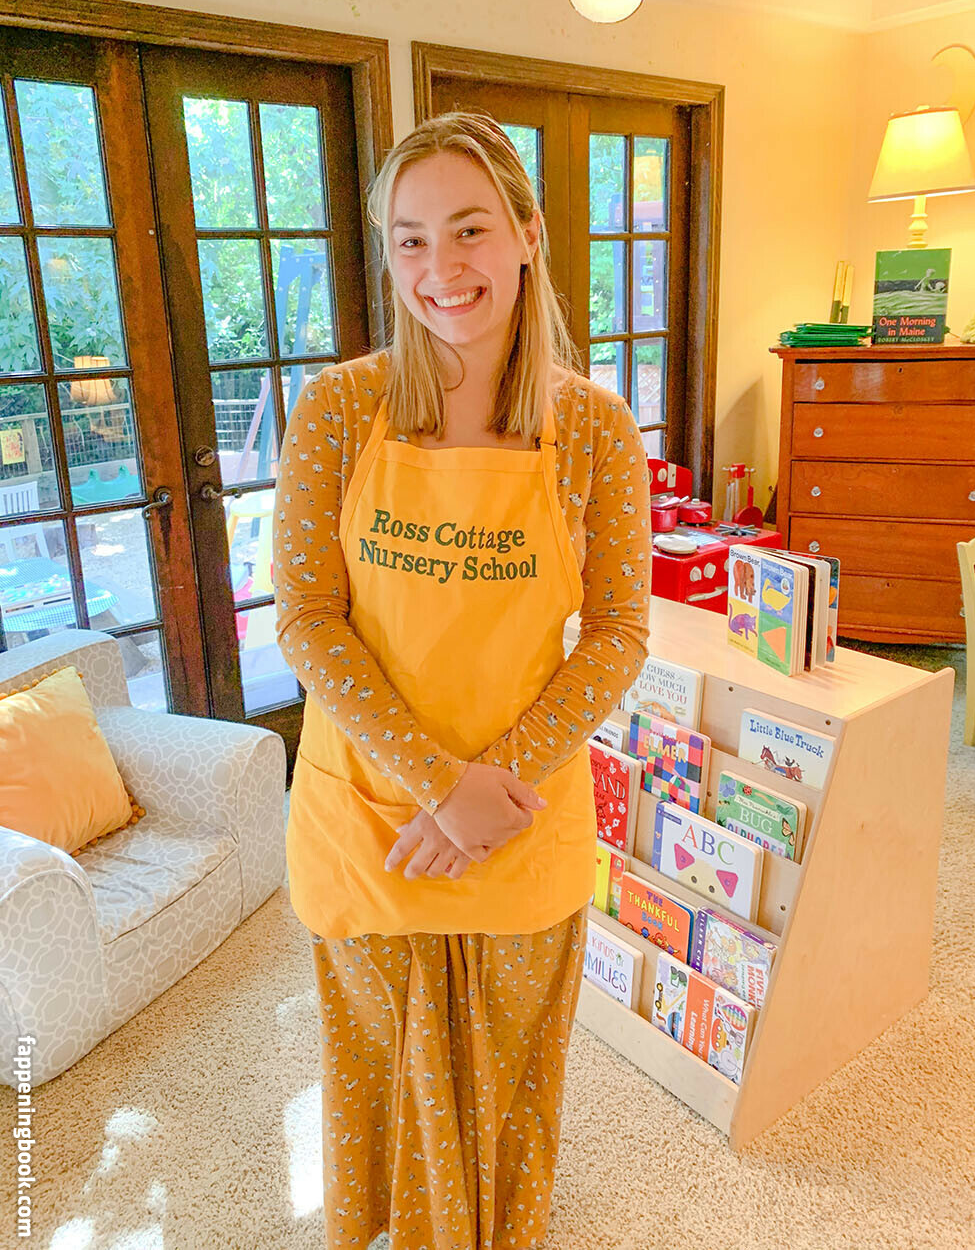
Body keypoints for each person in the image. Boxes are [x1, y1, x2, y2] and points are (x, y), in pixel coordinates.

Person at [274, 110, 652, 1250]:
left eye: (470, 228)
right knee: (383, 1082)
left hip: (522, 820)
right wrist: (443, 786)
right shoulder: (340, 408)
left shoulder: (595, 428)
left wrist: (496, 785)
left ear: (529, 234)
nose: (440, 266)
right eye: (410, 239)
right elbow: (307, 619)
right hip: (371, 821)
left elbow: (619, 632)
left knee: (508, 1087)